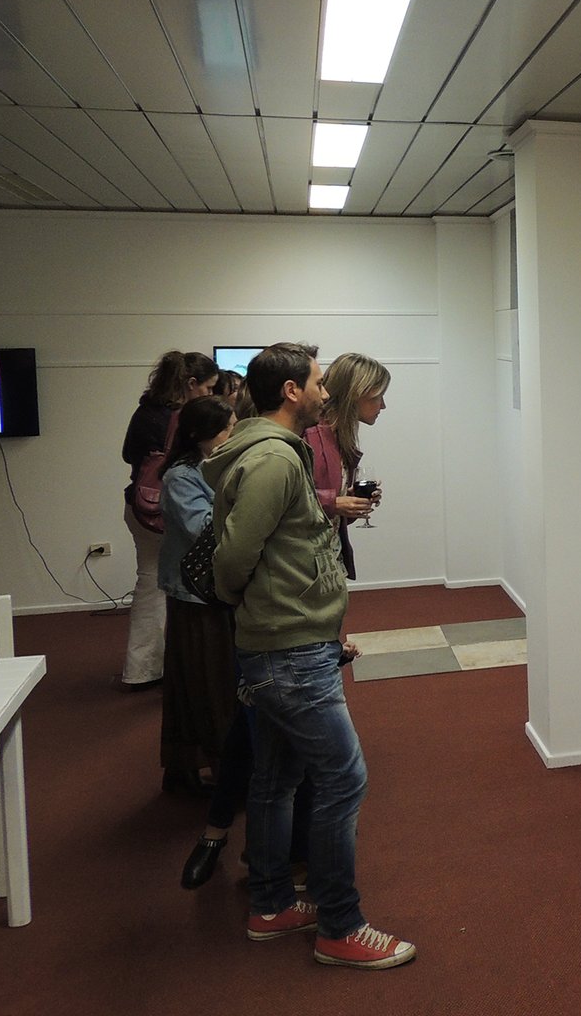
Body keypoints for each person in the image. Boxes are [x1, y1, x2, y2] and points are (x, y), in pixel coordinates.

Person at [203, 342, 414, 970]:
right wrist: (259, 605)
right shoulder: (274, 459)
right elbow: (233, 558)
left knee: (275, 780)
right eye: (320, 382)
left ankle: (271, 905)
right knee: (343, 779)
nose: (327, 392)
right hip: (289, 650)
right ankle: (340, 926)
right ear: (292, 391)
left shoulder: (278, 450)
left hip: (286, 641)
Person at [119, 350, 218, 689]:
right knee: (168, 589)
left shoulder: (145, 410)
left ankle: (144, 666)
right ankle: (152, 669)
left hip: (138, 506)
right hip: (163, 511)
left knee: (149, 584)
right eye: (208, 387)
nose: (210, 394)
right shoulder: (180, 419)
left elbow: (128, 455)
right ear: (191, 383)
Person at [157, 395, 238, 796]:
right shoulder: (181, 477)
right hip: (193, 594)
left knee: (213, 681)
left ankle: (204, 769)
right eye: (226, 429)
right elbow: (204, 529)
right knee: (205, 685)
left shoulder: (218, 466)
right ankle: (214, 771)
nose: (233, 435)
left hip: (215, 588)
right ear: (198, 434)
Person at [304, 353, 389, 580]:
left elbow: (331, 516)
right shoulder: (311, 435)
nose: (383, 405)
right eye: (377, 397)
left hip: (328, 562)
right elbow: (287, 501)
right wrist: (334, 502)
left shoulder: (339, 437)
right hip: (305, 567)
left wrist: (349, 503)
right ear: (354, 394)